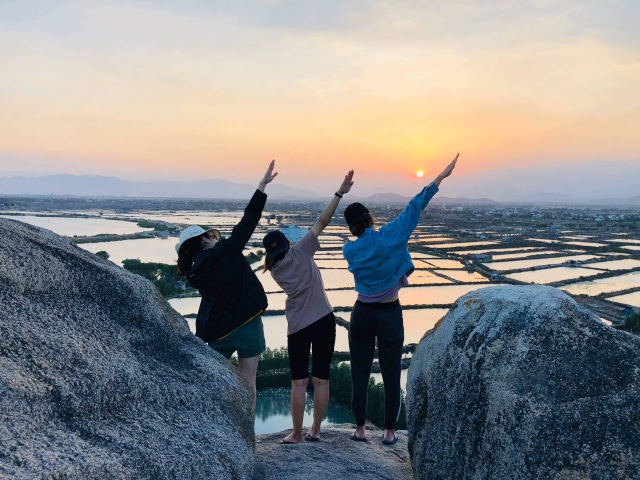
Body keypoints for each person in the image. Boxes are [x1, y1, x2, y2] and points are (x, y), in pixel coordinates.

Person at [343, 154, 459, 445]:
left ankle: (358, 429)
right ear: (370, 219)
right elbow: (414, 207)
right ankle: (390, 431)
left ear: (351, 229)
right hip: (388, 314)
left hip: (361, 314)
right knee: (392, 372)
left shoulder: (349, 251)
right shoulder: (390, 236)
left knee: (359, 371)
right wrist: (439, 178)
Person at [175, 160, 278, 413]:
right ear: (206, 239)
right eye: (210, 235)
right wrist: (261, 187)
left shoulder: (194, 272)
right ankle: (246, 431)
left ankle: (221, 427)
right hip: (248, 323)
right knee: (248, 381)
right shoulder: (227, 252)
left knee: (216, 382)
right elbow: (248, 222)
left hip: (218, 330)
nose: (214, 236)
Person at [263, 170, 355, 444]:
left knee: (298, 383)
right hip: (324, 320)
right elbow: (322, 221)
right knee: (322, 380)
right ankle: (316, 429)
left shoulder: (275, 269)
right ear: (288, 243)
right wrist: (339, 193)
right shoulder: (302, 250)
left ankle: (296, 433)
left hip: (298, 327)